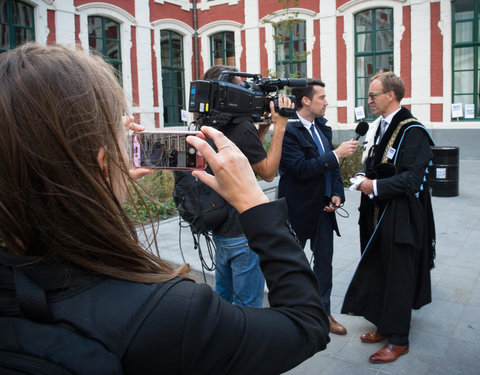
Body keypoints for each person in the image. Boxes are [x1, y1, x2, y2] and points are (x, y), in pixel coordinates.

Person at [0, 43, 331, 374]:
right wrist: (253, 201)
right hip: (237, 236)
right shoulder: (171, 313)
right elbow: (306, 325)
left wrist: (97, 185)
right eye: (119, 141)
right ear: (102, 168)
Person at [341, 72, 435, 364]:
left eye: (373, 95)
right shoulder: (380, 127)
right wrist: (362, 176)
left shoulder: (413, 130)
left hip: (401, 216)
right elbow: (378, 166)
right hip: (376, 212)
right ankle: (383, 324)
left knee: (398, 273)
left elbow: (412, 180)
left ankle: (399, 339)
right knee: (379, 267)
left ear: (391, 95)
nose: (369, 101)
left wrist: (375, 186)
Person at [201, 65, 293, 307]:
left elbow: (242, 159)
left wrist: (261, 130)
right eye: (242, 88)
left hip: (220, 229)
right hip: (243, 232)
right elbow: (268, 172)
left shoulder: (208, 122)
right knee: (248, 307)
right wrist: (280, 125)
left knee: (223, 299)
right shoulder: (241, 128)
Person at [278, 79, 358, 335]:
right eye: (322, 97)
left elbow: (331, 170)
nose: (326, 102)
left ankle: (324, 314)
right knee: (292, 265)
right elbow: (300, 169)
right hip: (298, 212)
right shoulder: (289, 132)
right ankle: (291, 314)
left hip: (324, 211)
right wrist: (337, 154)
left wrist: (336, 193)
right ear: (306, 101)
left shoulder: (323, 128)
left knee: (324, 265)